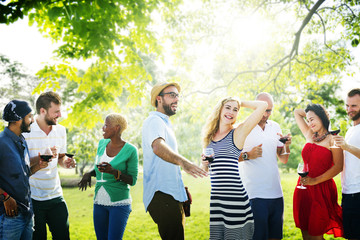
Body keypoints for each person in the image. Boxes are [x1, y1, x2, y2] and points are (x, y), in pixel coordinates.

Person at [142, 82, 207, 240]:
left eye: (177, 95)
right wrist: (184, 163)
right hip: (163, 196)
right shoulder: (154, 121)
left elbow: (165, 162)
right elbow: (158, 147)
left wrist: (180, 190)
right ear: (159, 99)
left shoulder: (165, 123)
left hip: (170, 194)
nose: (176, 99)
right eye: (172, 95)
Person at [201, 96, 268, 240]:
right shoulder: (209, 137)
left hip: (234, 198)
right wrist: (204, 163)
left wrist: (239, 102)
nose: (231, 112)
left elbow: (263, 105)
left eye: (235, 110)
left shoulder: (238, 132)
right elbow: (206, 169)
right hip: (217, 200)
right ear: (220, 109)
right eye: (227, 107)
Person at [22, 92, 76, 240]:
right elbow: (20, 163)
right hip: (33, 198)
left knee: (63, 237)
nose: (60, 115)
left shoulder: (61, 130)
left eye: (60, 110)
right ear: (43, 111)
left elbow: (61, 157)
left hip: (56, 196)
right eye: (56, 112)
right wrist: (41, 156)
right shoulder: (26, 131)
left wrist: (66, 162)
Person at [238, 92, 291, 240]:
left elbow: (284, 158)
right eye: (263, 109)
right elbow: (229, 157)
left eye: (269, 110)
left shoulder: (275, 127)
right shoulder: (242, 128)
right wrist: (249, 154)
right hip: (254, 194)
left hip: (276, 193)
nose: (266, 114)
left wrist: (286, 145)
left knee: (275, 237)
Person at [78, 113, 138, 240]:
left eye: (106, 125)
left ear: (116, 128)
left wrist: (115, 172)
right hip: (99, 201)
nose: (103, 128)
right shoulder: (102, 144)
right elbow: (99, 167)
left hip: (119, 204)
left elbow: (133, 180)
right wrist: (89, 173)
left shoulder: (131, 150)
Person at [293, 103, 343, 239]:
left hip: (321, 189)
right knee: (305, 232)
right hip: (303, 188)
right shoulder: (309, 134)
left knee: (316, 234)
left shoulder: (333, 139)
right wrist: (310, 113)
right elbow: (297, 112)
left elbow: (338, 166)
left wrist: (314, 181)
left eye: (312, 119)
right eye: (308, 120)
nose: (309, 123)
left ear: (322, 117)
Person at [0, 100, 48, 240]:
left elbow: (23, 174)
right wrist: (5, 196)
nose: (32, 120)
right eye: (29, 116)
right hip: (8, 217)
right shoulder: (1, 143)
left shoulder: (22, 140)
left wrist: (38, 166)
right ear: (17, 119)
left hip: (27, 214)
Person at [333, 88, 360, 240]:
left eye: (354, 106)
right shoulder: (350, 130)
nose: (349, 110)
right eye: (347, 105)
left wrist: (347, 147)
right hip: (348, 194)